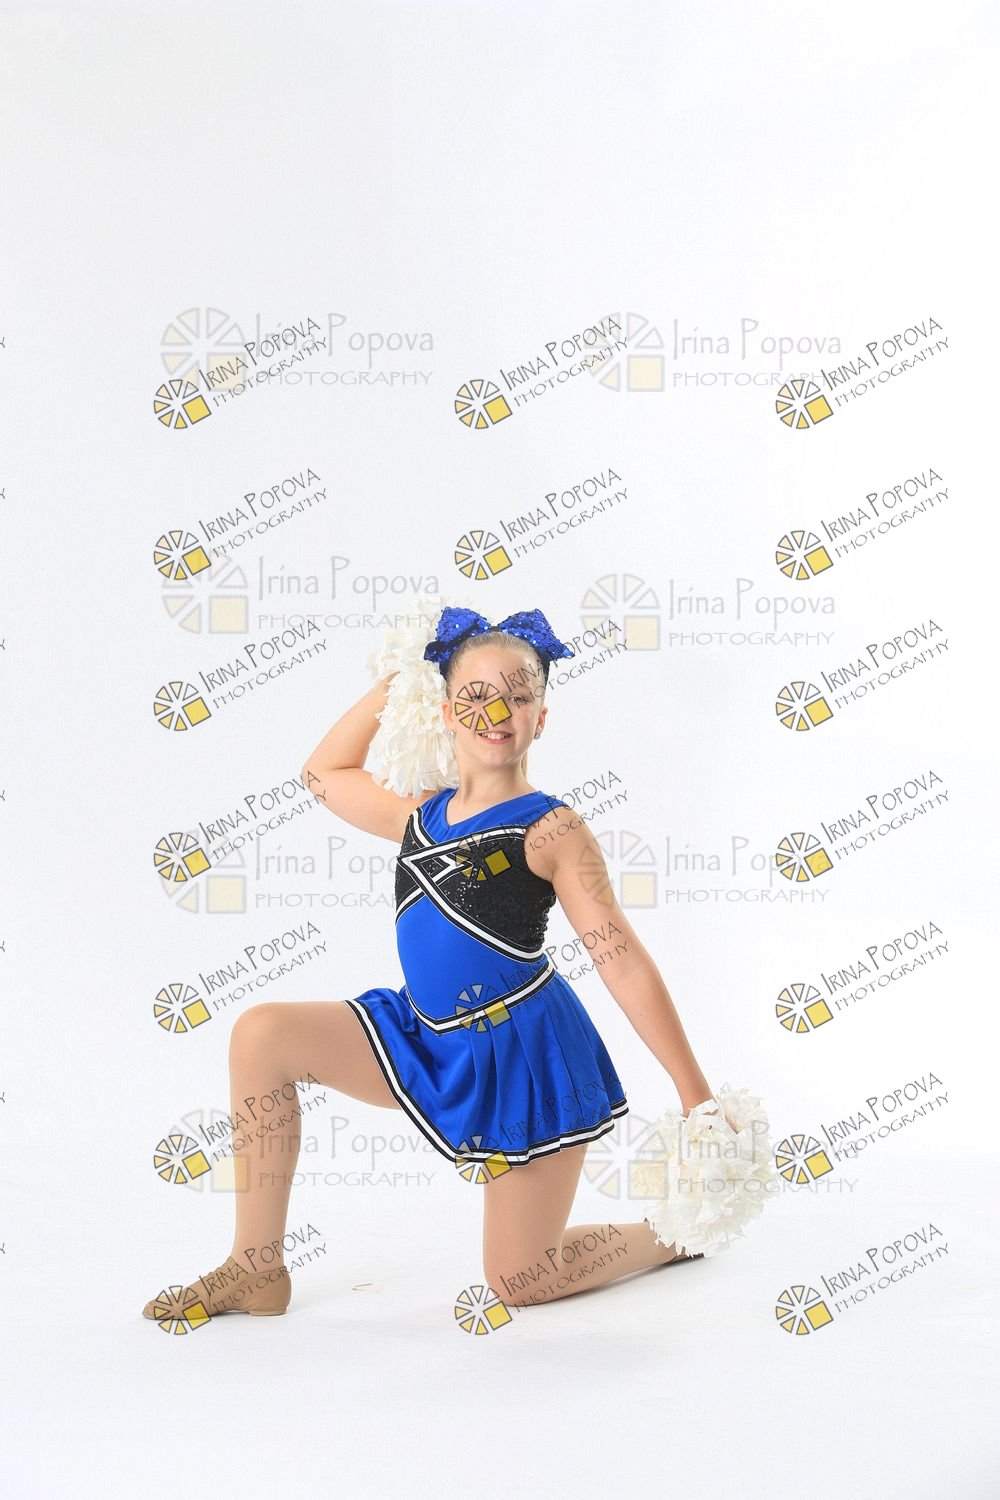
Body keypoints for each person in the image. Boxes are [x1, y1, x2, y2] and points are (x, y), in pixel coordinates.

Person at [142, 605, 723, 1324]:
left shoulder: (553, 829)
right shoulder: (419, 816)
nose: (495, 713)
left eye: (517, 696)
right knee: (261, 1035)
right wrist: (404, 678)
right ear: (444, 712)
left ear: (542, 717)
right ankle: (255, 1267)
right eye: (473, 697)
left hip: (522, 1058)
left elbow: (620, 960)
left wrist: (694, 1092)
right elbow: (323, 773)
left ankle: (671, 1234)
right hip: (423, 1036)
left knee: (521, 1279)